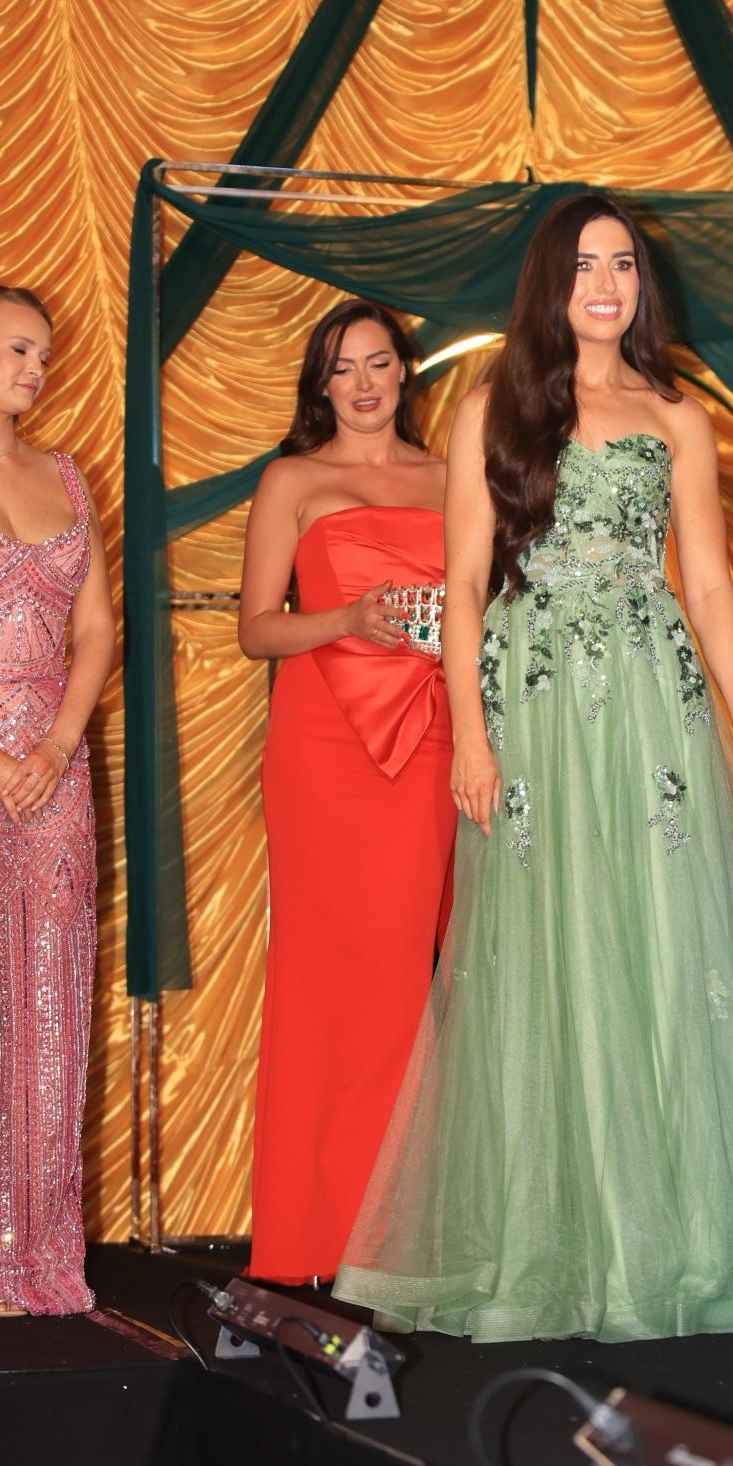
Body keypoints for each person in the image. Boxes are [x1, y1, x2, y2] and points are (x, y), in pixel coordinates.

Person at [334, 194, 733, 1341]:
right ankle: (554, 1244)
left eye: (621, 265)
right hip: (532, 704)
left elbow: (708, 588)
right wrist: (469, 733)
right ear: (550, 282)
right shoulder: (490, 408)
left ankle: (688, 1242)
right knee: (544, 952)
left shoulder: (678, 416)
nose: (606, 285)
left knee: (670, 948)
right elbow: (462, 584)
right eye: (584, 266)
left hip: (651, 702)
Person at [240, 299, 454, 1284]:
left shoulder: (451, 477)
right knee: (318, 982)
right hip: (321, 747)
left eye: (377, 363)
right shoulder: (292, 479)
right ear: (320, 385)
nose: (362, 384)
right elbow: (256, 629)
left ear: (404, 370)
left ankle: (387, 1241)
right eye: (342, 369)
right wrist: (344, 619)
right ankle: (302, 1240)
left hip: (427, 740)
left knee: (401, 978)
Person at [0, 283, 113, 1317]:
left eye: (46, 356)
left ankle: (34, 1256)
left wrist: (58, 745)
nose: (36, 369)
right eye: (19, 348)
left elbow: (97, 628)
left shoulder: (65, 475)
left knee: (51, 1003)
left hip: (55, 773)